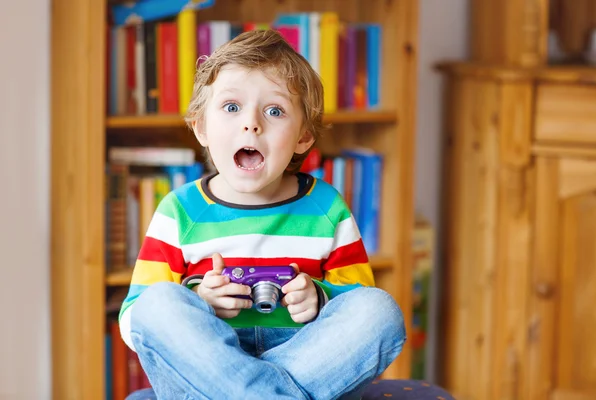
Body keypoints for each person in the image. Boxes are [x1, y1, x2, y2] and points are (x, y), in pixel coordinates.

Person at [119, 29, 406, 400]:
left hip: (308, 361)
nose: (251, 123)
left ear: (303, 136)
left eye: (274, 110)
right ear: (201, 127)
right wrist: (199, 300)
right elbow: (135, 322)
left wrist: (319, 298)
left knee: (378, 310)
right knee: (157, 304)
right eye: (232, 107)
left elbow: (356, 302)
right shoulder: (178, 211)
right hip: (207, 370)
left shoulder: (326, 206)